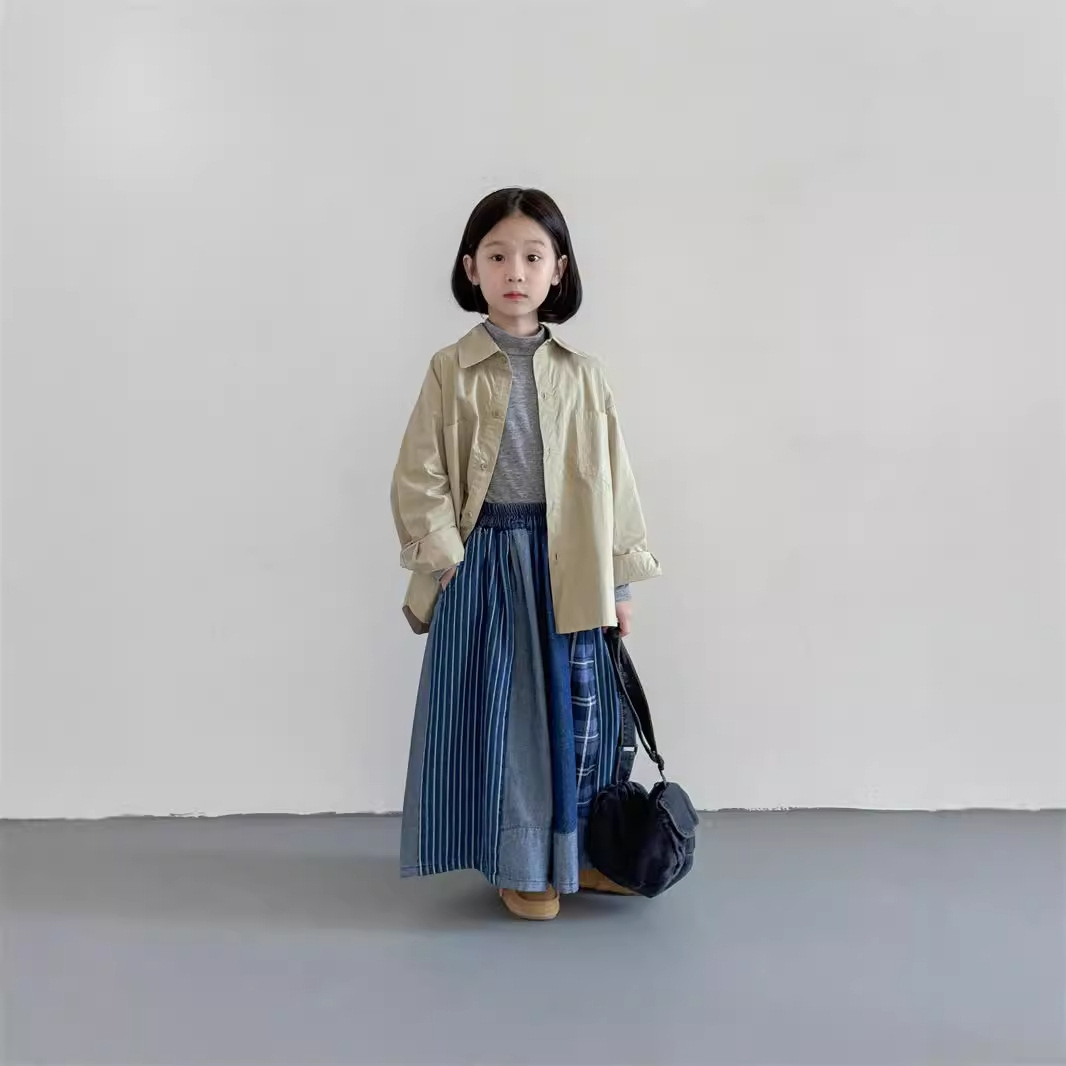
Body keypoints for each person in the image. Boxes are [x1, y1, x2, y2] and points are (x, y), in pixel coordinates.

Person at [391, 187, 660, 920]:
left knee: (583, 721)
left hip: (571, 567)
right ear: (470, 268)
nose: (516, 271)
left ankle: (585, 855)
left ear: (559, 270)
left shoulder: (583, 373)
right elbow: (419, 471)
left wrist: (621, 586)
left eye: (533, 256)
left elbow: (614, 480)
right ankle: (520, 863)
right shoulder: (451, 369)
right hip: (485, 567)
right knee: (506, 721)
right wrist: (447, 557)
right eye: (498, 255)